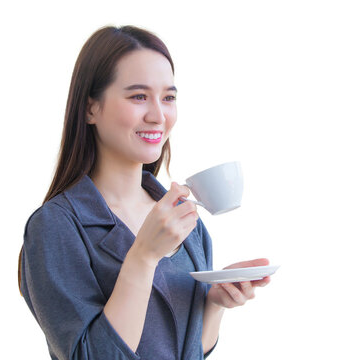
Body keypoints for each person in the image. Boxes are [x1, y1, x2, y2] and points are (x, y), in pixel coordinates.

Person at [18, 25, 271, 360]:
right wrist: (143, 256)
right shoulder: (55, 227)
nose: (158, 115)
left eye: (168, 98)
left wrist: (213, 306)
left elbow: (192, 351)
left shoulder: (182, 216)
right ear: (91, 108)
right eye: (138, 96)